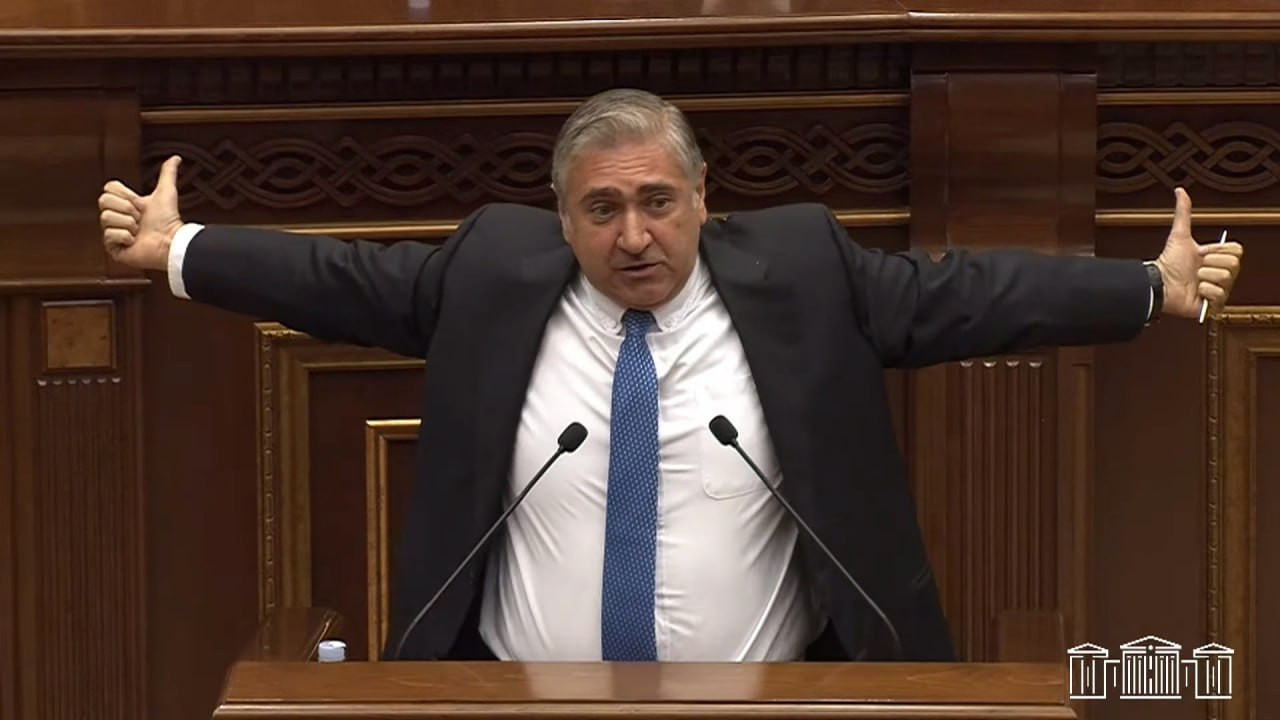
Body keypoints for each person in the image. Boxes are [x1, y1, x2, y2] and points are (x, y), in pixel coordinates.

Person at [99, 88, 1242, 664]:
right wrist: (178, 248)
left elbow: (970, 294)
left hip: (772, 701)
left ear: (702, 199)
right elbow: (338, 279)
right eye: (601, 209)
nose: (633, 235)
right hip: (511, 701)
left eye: (657, 201)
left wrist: (1149, 287)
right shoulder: (491, 273)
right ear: (562, 219)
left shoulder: (802, 271)